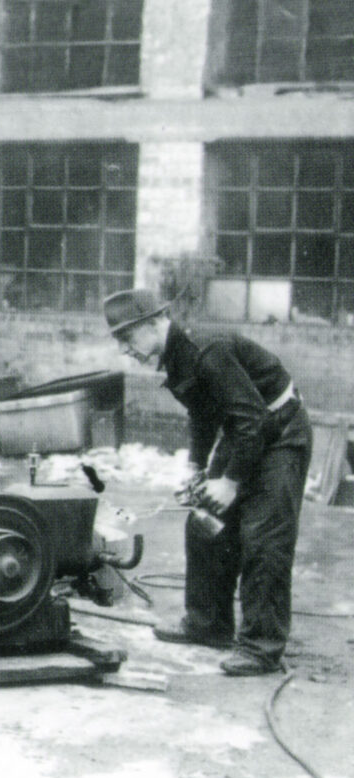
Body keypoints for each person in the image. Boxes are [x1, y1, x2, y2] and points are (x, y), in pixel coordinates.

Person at [103, 288, 312, 676]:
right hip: (246, 432)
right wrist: (196, 466)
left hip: (280, 431)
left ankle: (260, 648)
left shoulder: (207, 351)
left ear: (153, 324)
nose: (125, 350)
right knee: (204, 524)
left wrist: (230, 482)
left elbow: (254, 420)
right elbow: (203, 412)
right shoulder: (177, 355)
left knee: (263, 539)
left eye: (126, 338)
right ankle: (208, 625)